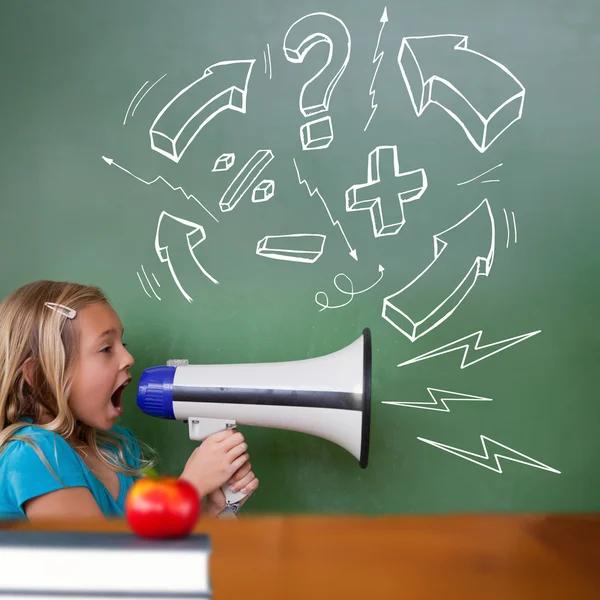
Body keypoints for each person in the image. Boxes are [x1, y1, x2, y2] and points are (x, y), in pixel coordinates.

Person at [0, 280, 259, 521]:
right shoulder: (34, 455)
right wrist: (189, 488)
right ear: (40, 373)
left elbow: (157, 559)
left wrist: (210, 508)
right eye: (106, 349)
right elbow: (103, 565)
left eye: (123, 343)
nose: (128, 358)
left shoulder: (118, 449)